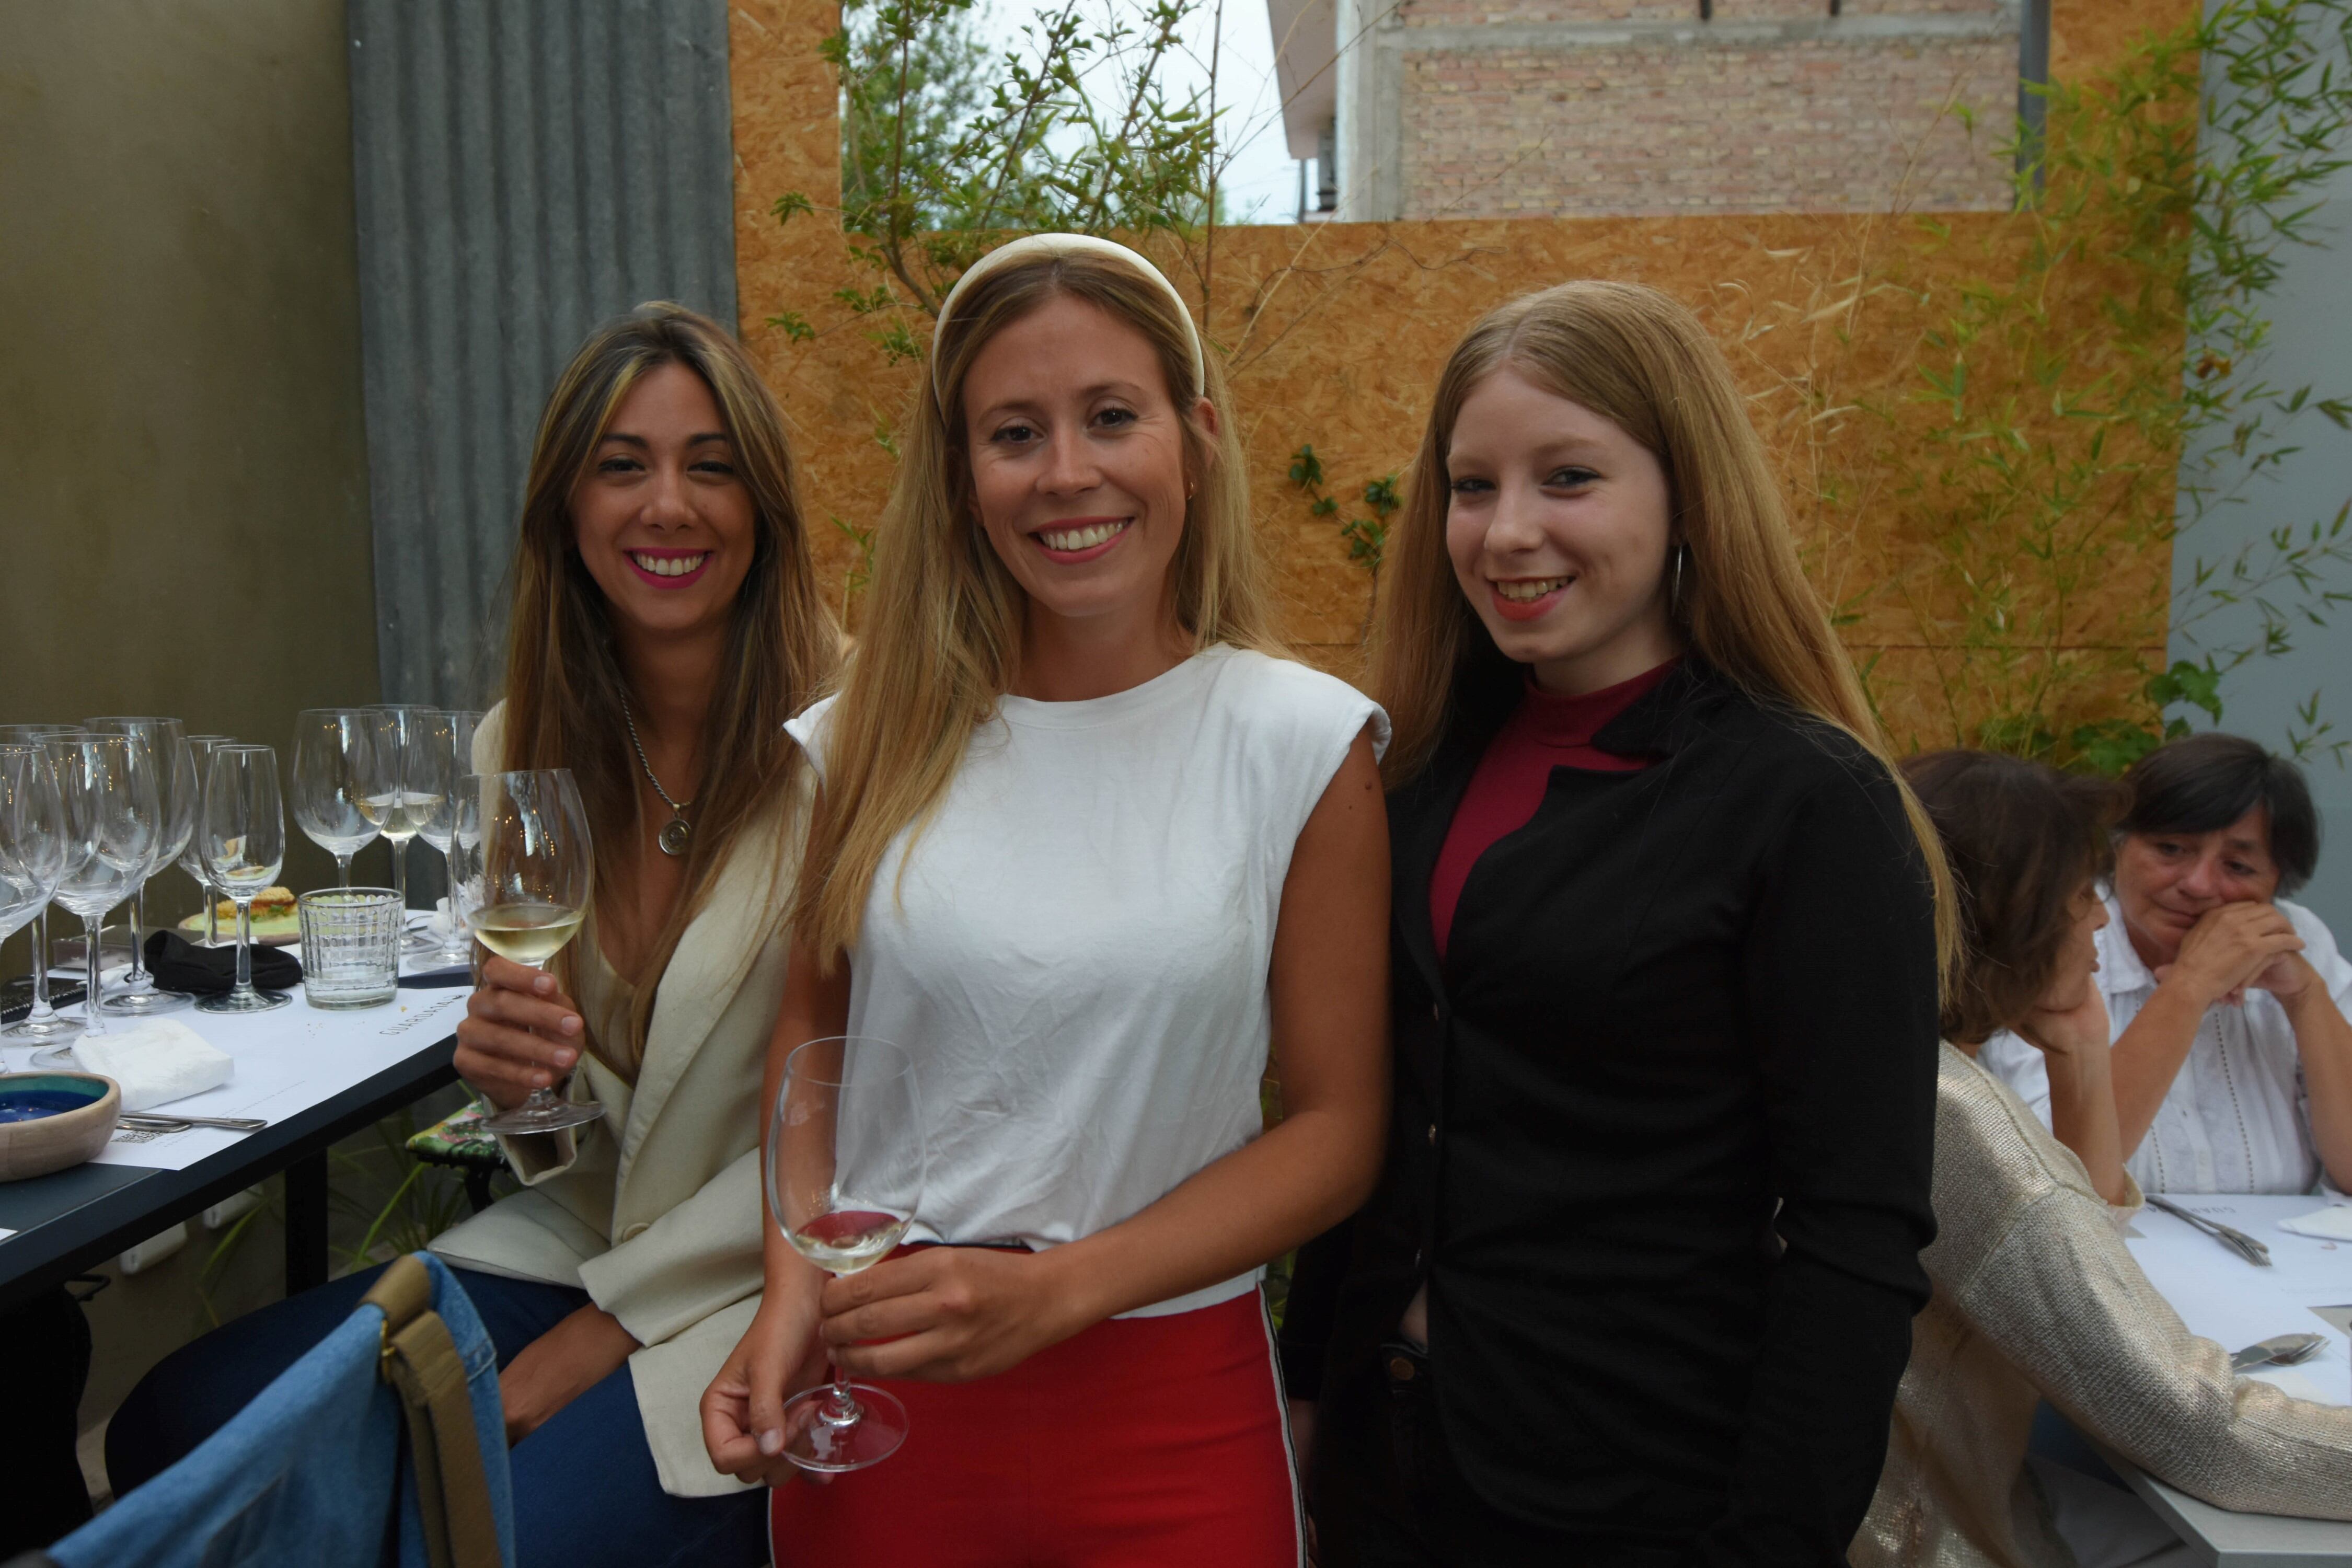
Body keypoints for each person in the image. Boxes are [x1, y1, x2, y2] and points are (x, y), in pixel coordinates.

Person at [107, 303, 838, 1568]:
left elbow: (882, 1109)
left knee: (495, 1530)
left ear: (763, 507)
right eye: (622, 465)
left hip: (766, 1280)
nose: (667, 504)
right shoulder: (523, 746)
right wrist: (521, 1085)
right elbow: (567, 1145)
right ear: (566, 508)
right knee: (178, 1422)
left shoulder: (863, 740)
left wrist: (602, 1332)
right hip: (583, 1235)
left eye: (709, 465)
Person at [698, 233, 1391, 1566]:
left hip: (1174, 1411)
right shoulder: (864, 745)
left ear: (1192, 438)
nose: (1065, 472)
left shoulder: (1299, 747)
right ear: (960, 478)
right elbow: (811, 1048)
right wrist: (794, 1293)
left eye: (1110, 417)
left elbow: (1336, 1128)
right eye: (1013, 432)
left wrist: (1059, 1290)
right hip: (882, 1408)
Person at [1280, 279, 1955, 1565]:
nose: (1505, 531)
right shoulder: (1404, 773)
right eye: (1470, 487)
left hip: (1639, 1498)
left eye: (1568, 477)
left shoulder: (1802, 805)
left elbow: (1852, 1236)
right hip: (1382, 1472)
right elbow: (1363, 1127)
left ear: (1684, 493)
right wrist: (1307, 1393)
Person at [1858, 748, 2352, 1568]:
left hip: (1964, 1492)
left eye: (2238, 863)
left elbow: (2074, 1213)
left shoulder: (1904, 1062)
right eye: (2081, 892)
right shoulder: (1963, 1122)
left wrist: (2084, 1047)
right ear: (2014, 919)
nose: (2099, 921)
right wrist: (2180, 994)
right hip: (1943, 1534)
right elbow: (2196, 1431)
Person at [1980, 732, 2352, 1194]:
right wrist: (2190, 987)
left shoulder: (2297, 940)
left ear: (2278, 882)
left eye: (2237, 867)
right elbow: (2055, 1180)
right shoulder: (2060, 940)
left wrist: (2306, 996)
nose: (2198, 884)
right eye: (2171, 850)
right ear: (2118, 848)